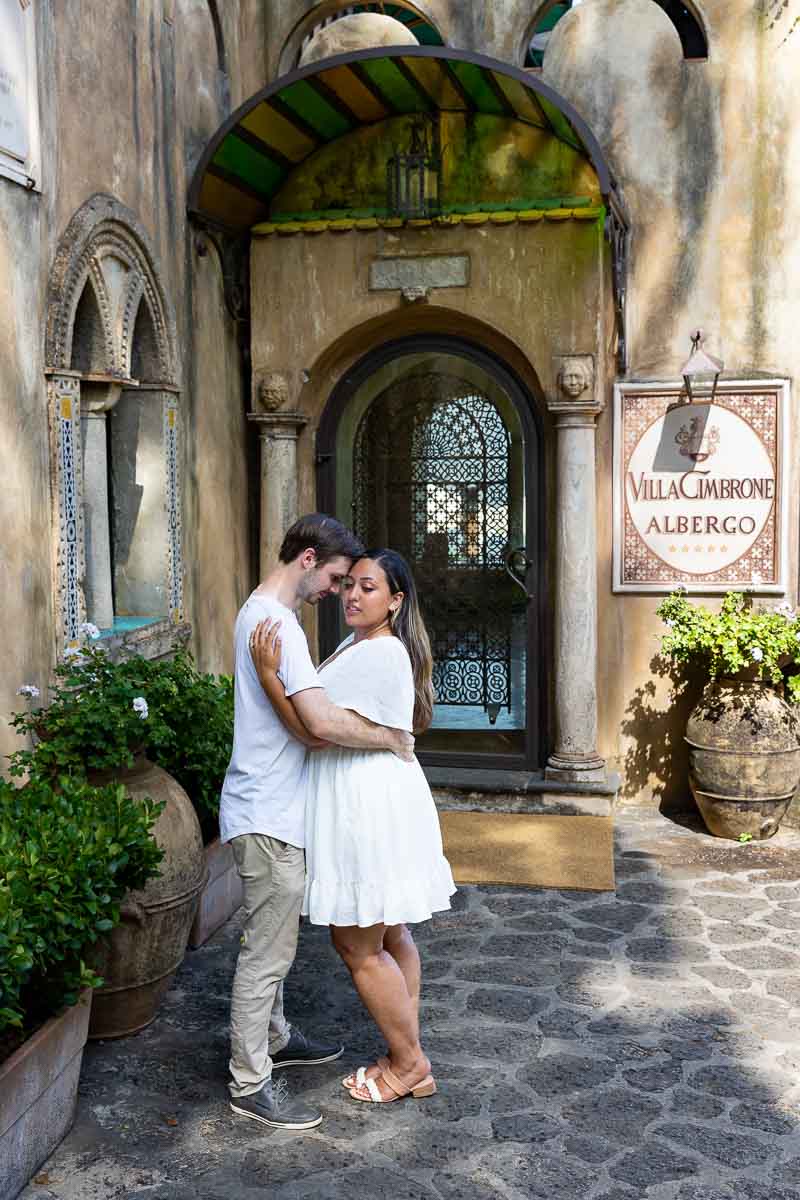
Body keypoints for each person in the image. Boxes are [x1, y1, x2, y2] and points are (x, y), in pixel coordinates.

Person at [220, 515, 416, 1131]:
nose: (338, 591)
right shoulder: (278, 625)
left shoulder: (264, 614)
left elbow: (309, 724)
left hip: (273, 808)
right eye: (336, 577)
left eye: (356, 583)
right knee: (267, 955)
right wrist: (391, 736)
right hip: (269, 813)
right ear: (308, 559)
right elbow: (319, 727)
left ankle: (274, 1037)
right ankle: (250, 1082)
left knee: (278, 946)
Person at [251, 548, 456, 1106]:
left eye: (368, 588)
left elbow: (315, 729)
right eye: (350, 586)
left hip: (366, 805)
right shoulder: (361, 644)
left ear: (395, 600)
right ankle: (405, 1056)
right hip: (373, 795)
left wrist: (270, 676)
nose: (353, 595)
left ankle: (409, 1062)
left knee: (357, 942)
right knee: (389, 934)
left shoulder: (380, 652)